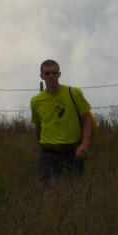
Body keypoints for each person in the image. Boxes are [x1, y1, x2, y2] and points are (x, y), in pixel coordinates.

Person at [30, 59, 93, 189]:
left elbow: (87, 120)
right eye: (47, 74)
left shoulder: (74, 93)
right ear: (42, 76)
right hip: (48, 154)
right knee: (49, 192)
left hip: (72, 152)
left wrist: (85, 144)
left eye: (54, 73)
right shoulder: (36, 101)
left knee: (75, 193)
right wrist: (41, 145)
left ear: (59, 75)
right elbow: (38, 126)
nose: (51, 76)